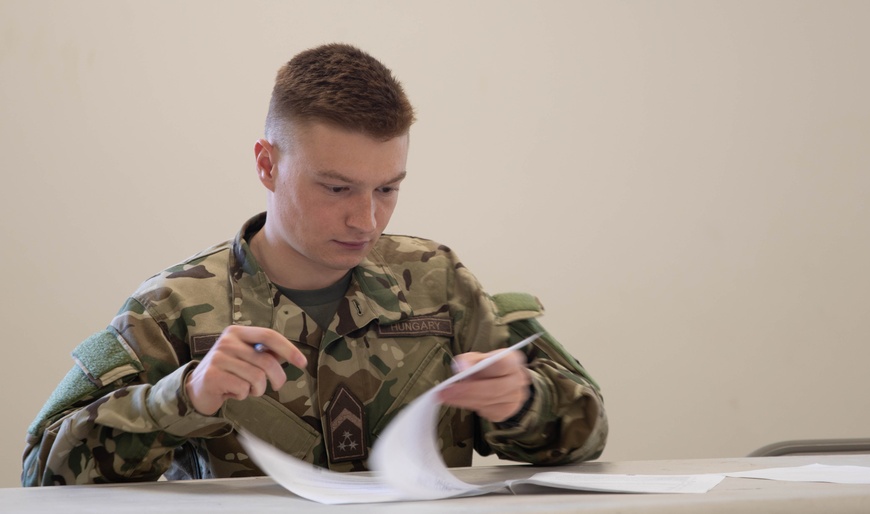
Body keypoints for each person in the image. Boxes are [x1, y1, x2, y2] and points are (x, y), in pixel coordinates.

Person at [21, 43, 607, 486]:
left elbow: (588, 433)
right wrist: (185, 397)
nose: (366, 220)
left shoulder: (438, 281)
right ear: (267, 165)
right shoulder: (173, 306)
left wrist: (525, 403)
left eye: (387, 189)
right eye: (335, 188)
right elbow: (40, 474)